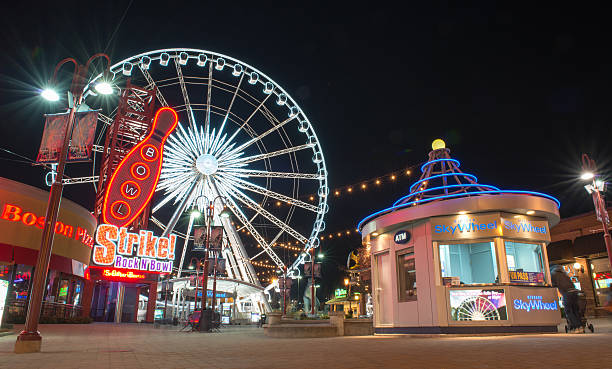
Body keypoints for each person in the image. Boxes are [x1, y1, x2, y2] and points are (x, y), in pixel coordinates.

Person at [550, 265, 582, 332]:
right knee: (575, 310)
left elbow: (553, 284)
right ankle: (580, 326)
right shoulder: (564, 273)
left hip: (567, 293)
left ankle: (576, 327)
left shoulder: (553, 273)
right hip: (574, 291)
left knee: (568, 311)